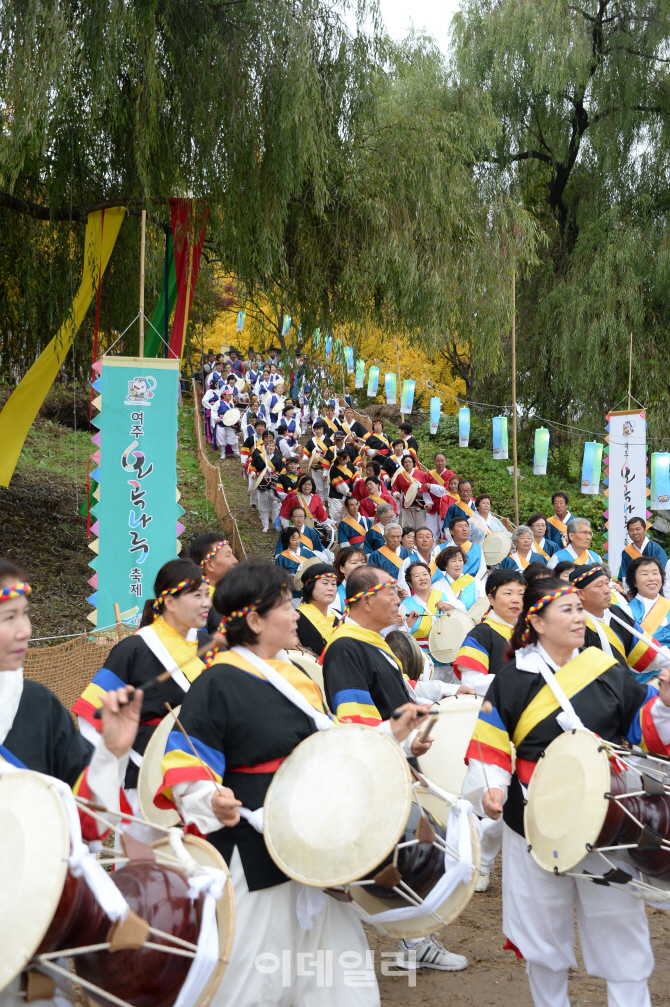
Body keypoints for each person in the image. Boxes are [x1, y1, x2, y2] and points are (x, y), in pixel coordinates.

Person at [157, 559, 427, 1006]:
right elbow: (187, 765)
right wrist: (209, 798)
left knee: (342, 982)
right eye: (285, 605)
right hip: (256, 851)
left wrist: (392, 733)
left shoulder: (298, 676)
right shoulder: (218, 680)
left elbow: (331, 748)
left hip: (316, 843)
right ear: (256, 619)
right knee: (252, 983)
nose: (296, 614)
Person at [461, 576, 670, 1007]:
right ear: (536, 621)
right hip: (535, 819)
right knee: (541, 931)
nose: (579, 617)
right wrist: (493, 788)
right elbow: (490, 745)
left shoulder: (606, 669)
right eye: (568, 609)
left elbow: (643, 728)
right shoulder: (511, 679)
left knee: (619, 928)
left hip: (607, 817)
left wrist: (664, 705)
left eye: (580, 608)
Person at [321, 565, 469, 973]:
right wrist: (398, 747)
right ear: (365, 599)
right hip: (373, 765)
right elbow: (354, 721)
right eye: (393, 594)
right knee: (391, 857)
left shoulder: (373, 643)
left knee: (401, 853)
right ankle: (411, 941)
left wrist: (410, 744)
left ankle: (412, 939)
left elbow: (399, 699)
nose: (400, 602)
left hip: (391, 755)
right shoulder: (347, 647)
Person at [0, 558, 141, 841]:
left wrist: (110, 751)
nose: (25, 630)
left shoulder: (38, 705)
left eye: (25, 614)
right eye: (9, 617)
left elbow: (92, 825)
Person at [74, 559, 211, 819]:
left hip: (202, 770)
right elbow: (92, 711)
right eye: (197, 595)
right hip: (144, 772)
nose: (206, 603)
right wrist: (115, 760)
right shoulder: (133, 650)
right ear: (170, 602)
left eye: (207, 594)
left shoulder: (210, 645)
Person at [569, 564, 669, 683]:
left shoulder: (614, 613)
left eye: (607, 583)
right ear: (580, 594)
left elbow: (643, 648)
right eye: (600, 586)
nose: (607, 590)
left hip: (624, 686)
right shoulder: (574, 626)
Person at [453, 569, 526, 697]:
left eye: (521, 594)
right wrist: (520, 681)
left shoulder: (530, 633)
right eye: (508, 593)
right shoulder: (480, 635)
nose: (516, 600)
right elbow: (472, 683)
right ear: (491, 599)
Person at [189, 534, 239, 633]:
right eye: (228, 556)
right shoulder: (200, 604)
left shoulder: (232, 595)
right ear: (210, 565)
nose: (235, 561)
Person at [627, 555, 670, 651]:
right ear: (634, 582)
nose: (652, 578)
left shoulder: (668, 605)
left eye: (655, 573)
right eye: (645, 574)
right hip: (646, 663)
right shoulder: (627, 611)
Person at [296, 563, 339, 654]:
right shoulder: (296, 618)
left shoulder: (340, 616)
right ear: (309, 585)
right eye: (325, 583)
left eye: (333, 584)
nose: (331, 588)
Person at [394, 454, 440, 531]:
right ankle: (408, 539)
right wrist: (396, 494)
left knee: (421, 523)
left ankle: (420, 538)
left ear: (413, 463)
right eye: (405, 462)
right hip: (407, 501)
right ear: (402, 464)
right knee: (407, 524)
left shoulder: (421, 474)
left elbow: (427, 487)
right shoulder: (400, 476)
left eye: (409, 462)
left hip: (420, 501)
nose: (408, 464)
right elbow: (395, 488)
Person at [618, 515, 668, 587]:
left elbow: (663, 573)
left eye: (638, 529)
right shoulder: (626, 552)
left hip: (654, 590)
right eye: (631, 530)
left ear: (645, 529)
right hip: (634, 593)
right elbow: (624, 576)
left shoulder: (656, 549)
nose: (635, 532)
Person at [250, 430, 283, 532]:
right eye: (269, 446)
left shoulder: (278, 458)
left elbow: (282, 471)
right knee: (263, 504)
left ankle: (275, 524)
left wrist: (278, 478)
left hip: (274, 483)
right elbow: (252, 467)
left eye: (273, 446)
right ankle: (265, 525)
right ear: (265, 446)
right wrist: (253, 473)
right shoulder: (259, 457)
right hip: (262, 482)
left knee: (275, 505)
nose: (271, 448)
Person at [434, 546, 483, 611]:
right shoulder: (436, 587)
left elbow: (483, 608)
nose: (458, 564)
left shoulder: (476, 584)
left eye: (460, 560)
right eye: (453, 561)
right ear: (445, 565)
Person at [398, 527, 447, 592]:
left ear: (432, 541)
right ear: (414, 541)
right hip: (418, 599)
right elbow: (403, 585)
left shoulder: (438, 559)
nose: (424, 540)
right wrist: (403, 592)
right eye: (421, 537)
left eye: (428, 537)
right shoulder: (408, 561)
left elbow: (446, 581)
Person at [301, 420, 334, 500]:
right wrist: (305, 458)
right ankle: (320, 501)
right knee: (318, 485)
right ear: (314, 430)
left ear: (323, 430)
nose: (318, 431)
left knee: (327, 485)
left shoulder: (328, 440)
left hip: (326, 466)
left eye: (320, 429)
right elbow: (307, 452)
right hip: (315, 467)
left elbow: (331, 453)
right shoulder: (311, 441)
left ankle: (327, 500)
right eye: (316, 429)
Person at [331, 545, 368, 616]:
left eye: (363, 562)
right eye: (354, 563)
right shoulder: (335, 594)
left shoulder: (374, 589)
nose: (360, 566)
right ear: (342, 568)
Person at [328, 449, 360, 523]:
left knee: (348, 512)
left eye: (346, 460)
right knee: (336, 513)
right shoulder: (333, 468)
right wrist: (347, 491)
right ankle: (337, 528)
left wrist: (357, 487)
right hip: (336, 493)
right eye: (342, 460)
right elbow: (338, 482)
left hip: (349, 491)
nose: (344, 462)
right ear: (338, 459)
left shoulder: (350, 464)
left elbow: (355, 477)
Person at [214, 388, 241, 459]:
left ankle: (236, 451)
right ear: (224, 395)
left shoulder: (231, 404)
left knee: (233, 436)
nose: (230, 396)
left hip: (229, 423)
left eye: (230, 395)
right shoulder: (218, 402)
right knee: (221, 438)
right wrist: (216, 418)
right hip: (221, 422)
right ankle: (222, 454)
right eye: (229, 395)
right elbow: (213, 411)